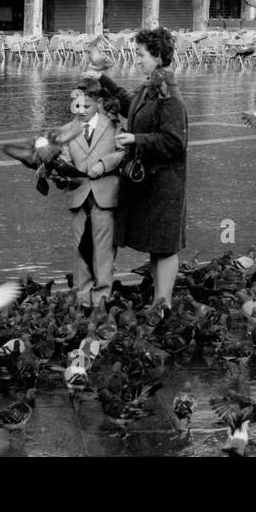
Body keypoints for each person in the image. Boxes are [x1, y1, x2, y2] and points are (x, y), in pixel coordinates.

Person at [97, 28, 188, 311]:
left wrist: (137, 139)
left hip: (165, 184)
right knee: (156, 244)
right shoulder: (151, 86)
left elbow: (175, 142)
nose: (137, 60)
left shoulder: (169, 95)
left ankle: (164, 303)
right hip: (150, 182)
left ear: (158, 57)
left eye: (141, 55)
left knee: (164, 246)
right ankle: (158, 304)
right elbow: (130, 105)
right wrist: (102, 80)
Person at [61, 78, 128, 308]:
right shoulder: (66, 131)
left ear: (99, 103)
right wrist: (60, 171)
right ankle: (82, 299)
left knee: (103, 249)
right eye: (77, 106)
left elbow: (123, 152)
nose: (81, 111)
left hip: (105, 195)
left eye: (87, 107)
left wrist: (104, 163)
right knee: (80, 247)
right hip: (79, 195)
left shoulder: (113, 124)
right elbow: (64, 160)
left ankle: (102, 299)